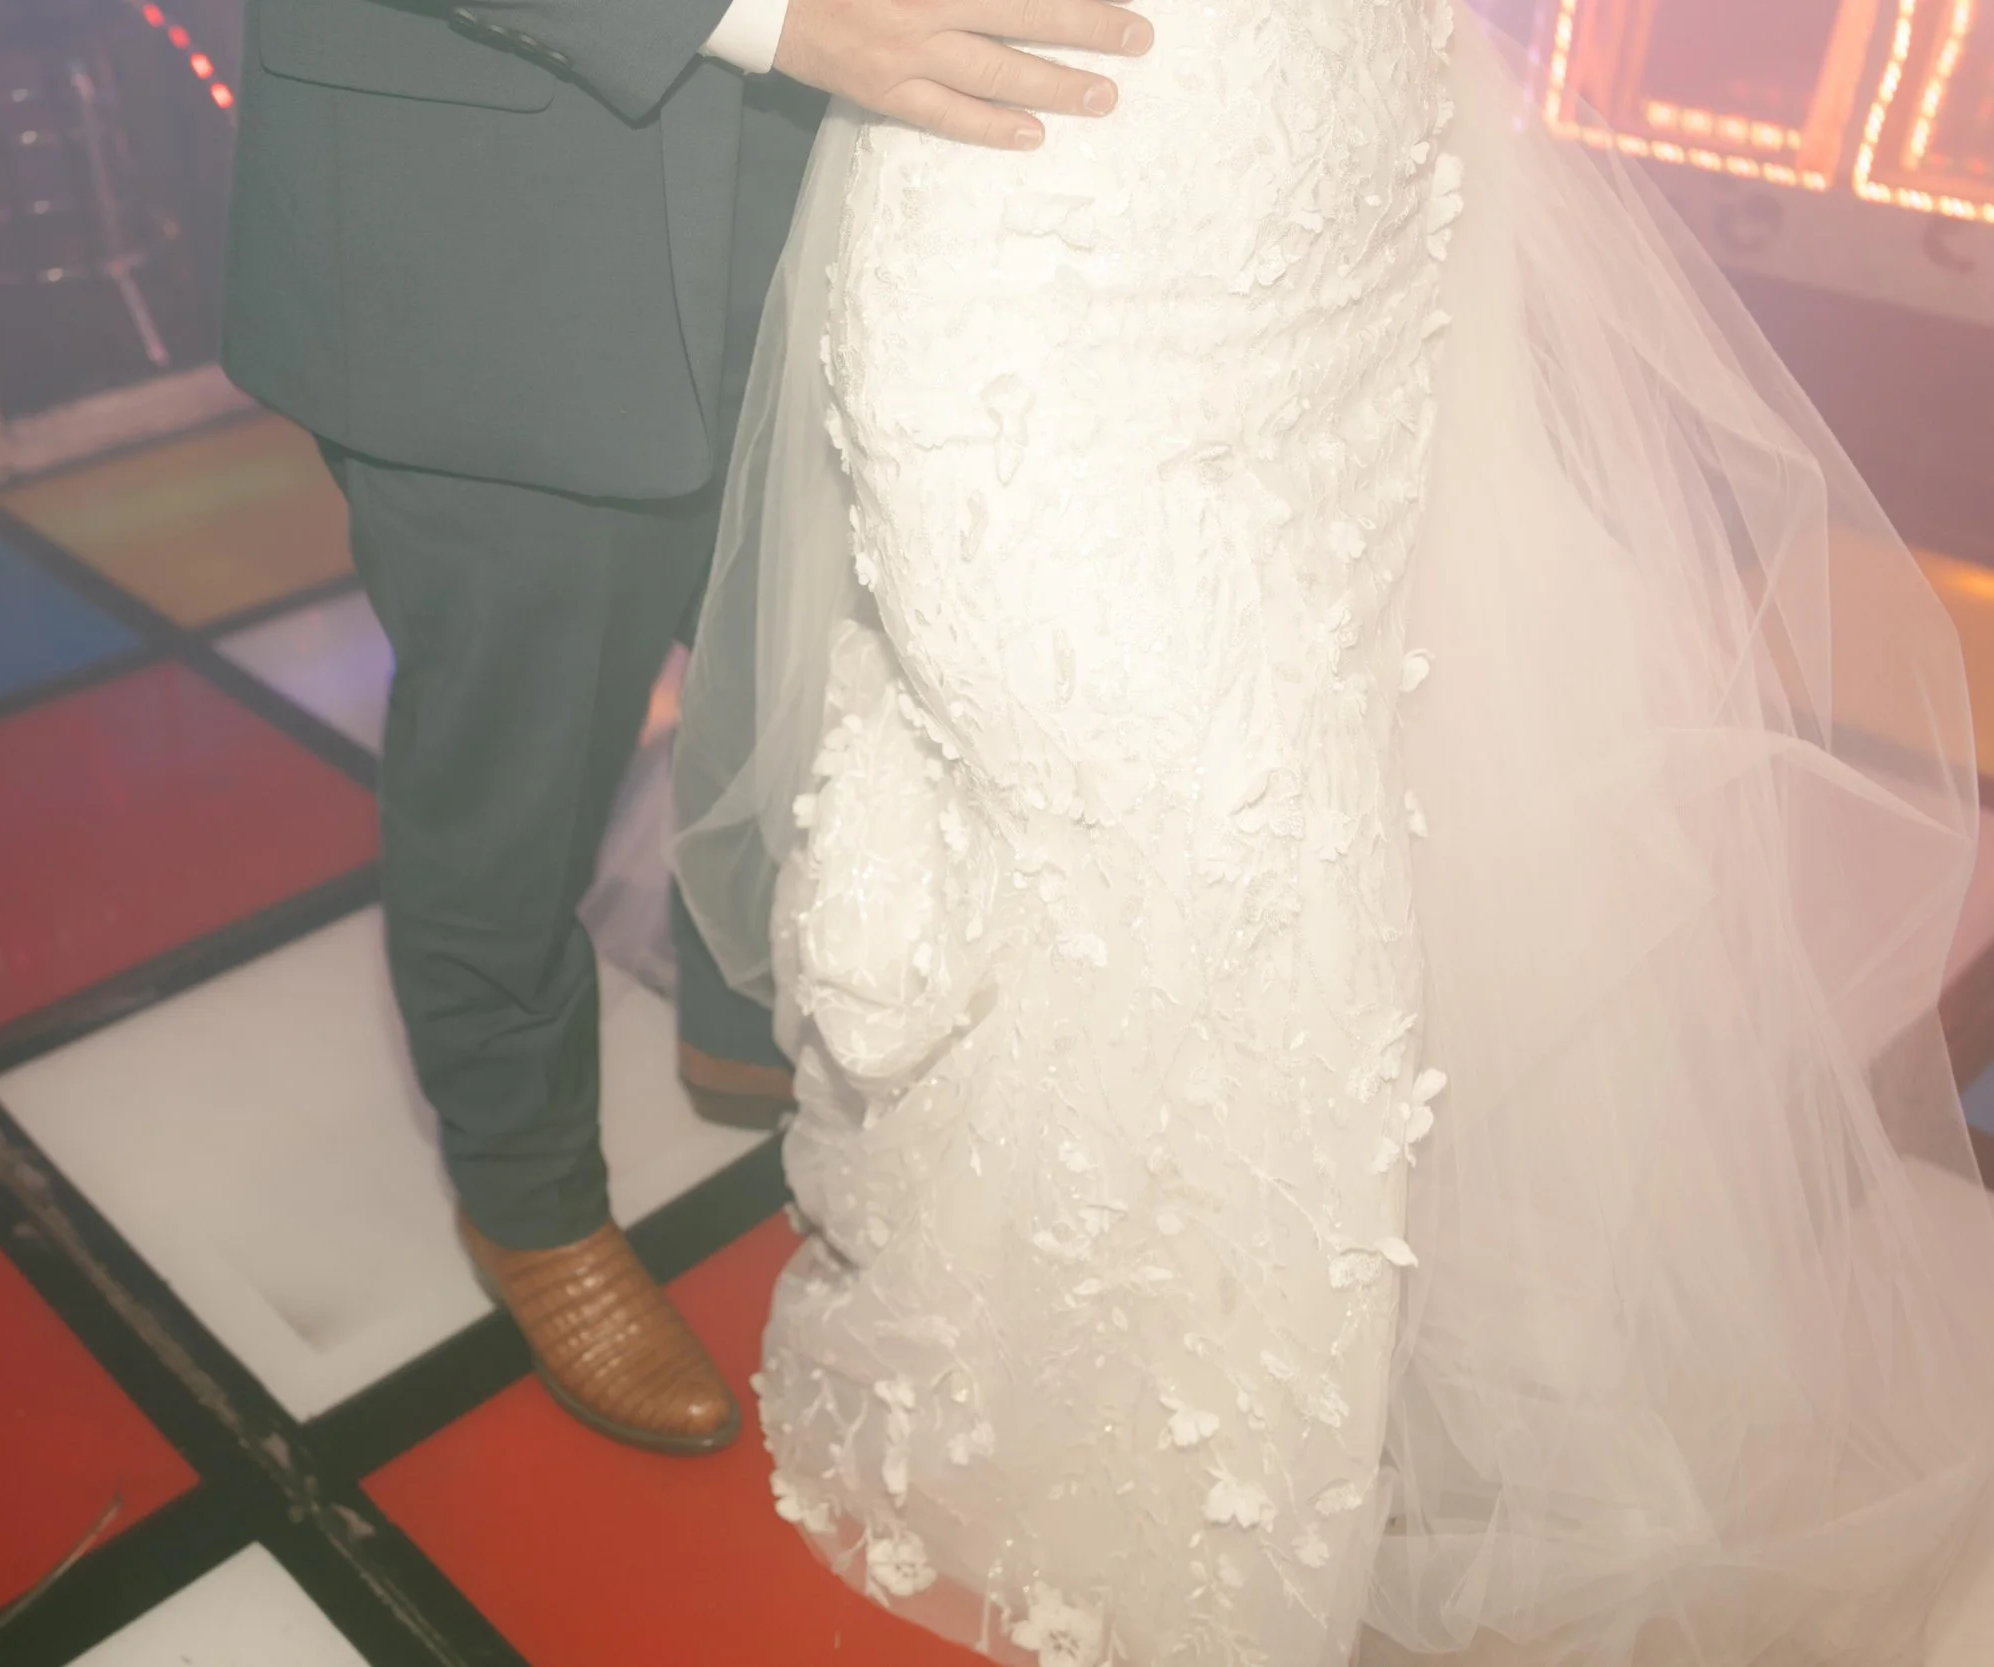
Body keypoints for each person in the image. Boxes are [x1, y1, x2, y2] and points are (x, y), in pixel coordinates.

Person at [671, 1, 1994, 1662]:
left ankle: (1132, 1383)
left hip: (1347, 196)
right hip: (1050, 254)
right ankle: (1149, 1490)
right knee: (1237, 874)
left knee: (1283, 866)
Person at [219, 0, 1148, 1455]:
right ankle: (526, 1191)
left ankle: (744, 1015)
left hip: (827, 171)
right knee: (515, 755)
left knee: (804, 657)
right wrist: (763, 19)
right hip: (489, 188)